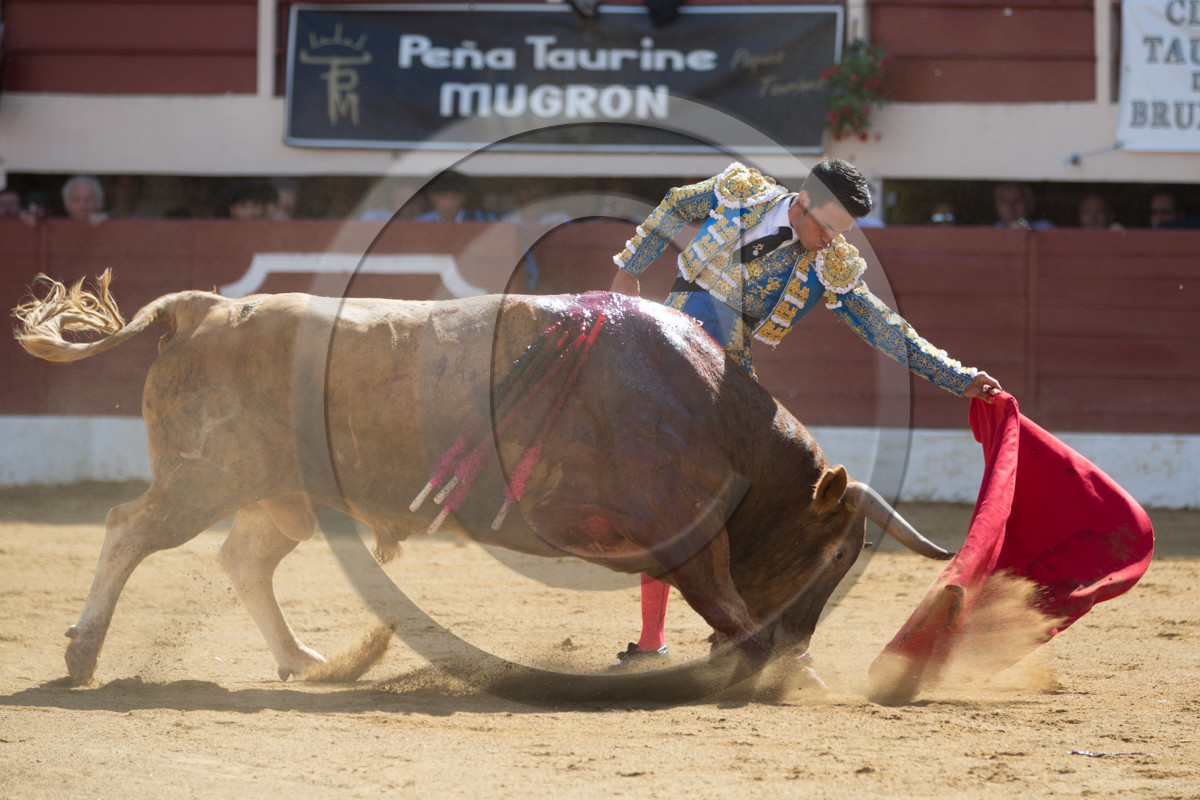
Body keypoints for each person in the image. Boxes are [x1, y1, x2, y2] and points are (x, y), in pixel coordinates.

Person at [608, 158, 1003, 669]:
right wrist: (629, 269)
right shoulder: (740, 191)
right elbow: (676, 204)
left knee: (715, 500)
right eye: (827, 227)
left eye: (842, 233)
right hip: (663, 340)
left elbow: (885, 327)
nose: (830, 241)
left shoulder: (829, 264)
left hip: (728, 376)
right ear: (803, 201)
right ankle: (653, 641)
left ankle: (740, 636)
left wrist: (958, 377)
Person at [413, 171, 494, 222]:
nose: (448, 204)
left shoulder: (482, 220)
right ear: (432, 197)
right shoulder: (420, 223)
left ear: (463, 197)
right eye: (442, 197)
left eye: (453, 198)